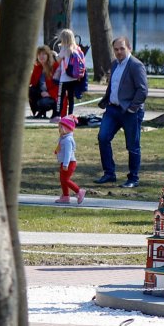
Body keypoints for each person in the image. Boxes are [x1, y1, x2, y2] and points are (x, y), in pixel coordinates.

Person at [94, 35, 148, 188]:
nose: (119, 52)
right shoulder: (114, 64)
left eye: (122, 49)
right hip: (112, 109)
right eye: (116, 49)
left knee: (132, 145)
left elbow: (142, 91)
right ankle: (109, 173)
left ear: (129, 48)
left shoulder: (136, 65)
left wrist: (132, 108)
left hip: (130, 112)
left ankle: (133, 178)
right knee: (103, 137)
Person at [53, 28, 86, 117]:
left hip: (65, 78)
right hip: (74, 77)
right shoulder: (77, 48)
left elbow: (58, 60)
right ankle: (70, 115)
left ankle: (58, 115)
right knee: (71, 98)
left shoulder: (64, 49)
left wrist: (55, 54)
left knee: (61, 97)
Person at [56, 115, 83, 205]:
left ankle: (79, 191)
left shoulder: (68, 140)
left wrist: (66, 164)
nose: (59, 129)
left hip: (69, 162)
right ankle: (66, 196)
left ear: (66, 128)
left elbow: (68, 153)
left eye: (60, 127)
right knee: (62, 179)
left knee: (65, 179)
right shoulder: (63, 138)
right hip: (64, 162)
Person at [28, 46, 59, 119]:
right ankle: (39, 112)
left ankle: (55, 112)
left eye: (43, 54)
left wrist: (49, 93)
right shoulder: (37, 67)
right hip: (42, 93)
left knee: (42, 103)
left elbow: (60, 85)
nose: (41, 56)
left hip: (53, 95)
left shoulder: (55, 67)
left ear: (48, 56)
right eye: (39, 54)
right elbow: (30, 82)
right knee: (30, 90)